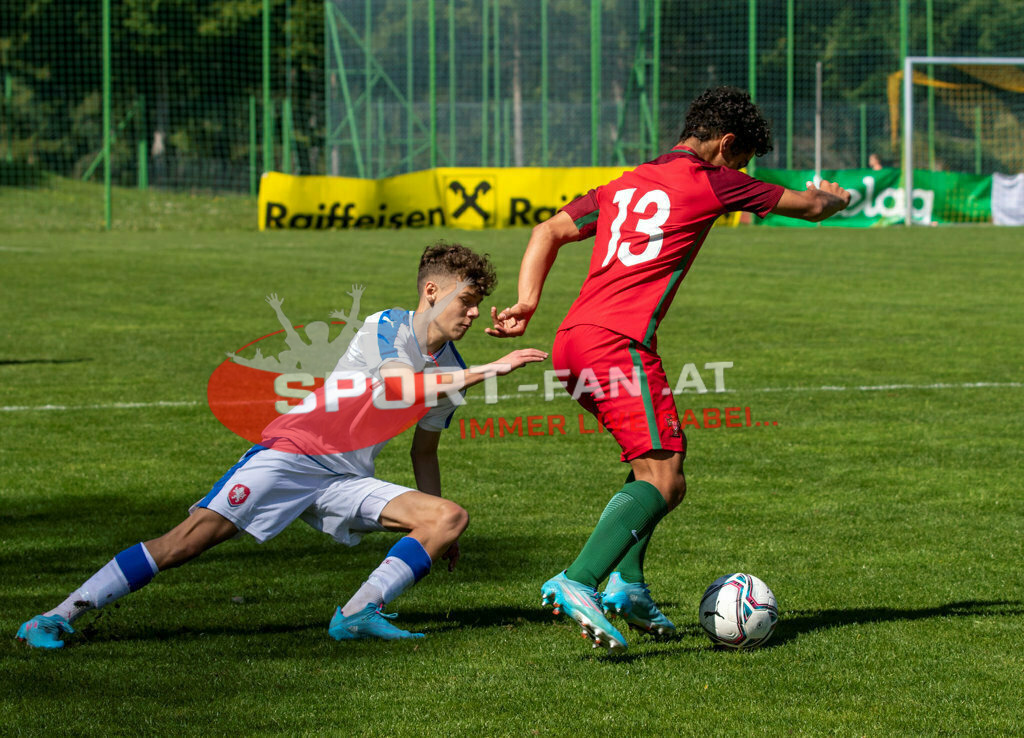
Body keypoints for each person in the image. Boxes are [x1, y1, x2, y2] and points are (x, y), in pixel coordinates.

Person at [17, 242, 547, 649]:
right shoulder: (387, 325)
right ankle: (57, 615)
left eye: (477, 305)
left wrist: (441, 532)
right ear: (433, 291)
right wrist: (491, 369)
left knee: (449, 517)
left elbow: (423, 451)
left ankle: (357, 615)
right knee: (187, 541)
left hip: (346, 477)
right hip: (296, 452)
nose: (474, 314)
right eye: (468, 301)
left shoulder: (452, 367)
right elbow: (397, 386)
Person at [487, 86, 850, 653]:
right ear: (726, 144)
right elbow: (809, 209)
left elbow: (547, 231)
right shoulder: (713, 179)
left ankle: (627, 583)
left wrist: (527, 302)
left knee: (658, 469)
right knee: (663, 478)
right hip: (618, 345)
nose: (744, 171)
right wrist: (836, 199)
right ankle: (578, 580)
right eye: (744, 159)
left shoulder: (623, 182)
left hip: (573, 342)